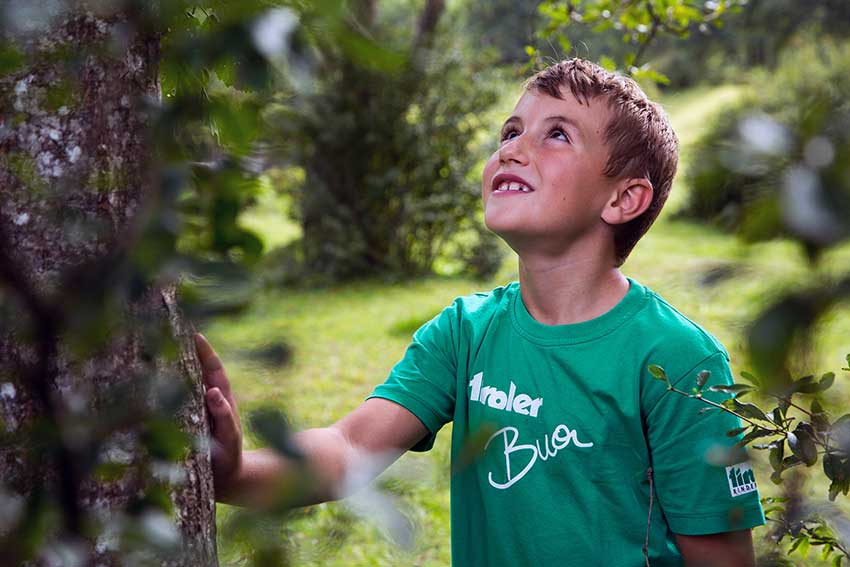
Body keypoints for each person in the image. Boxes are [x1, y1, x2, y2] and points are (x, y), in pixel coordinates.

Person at [194, 58, 765, 566]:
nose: (512, 149)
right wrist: (236, 472)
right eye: (510, 131)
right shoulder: (465, 333)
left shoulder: (677, 361)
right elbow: (349, 449)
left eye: (557, 134)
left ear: (622, 199)